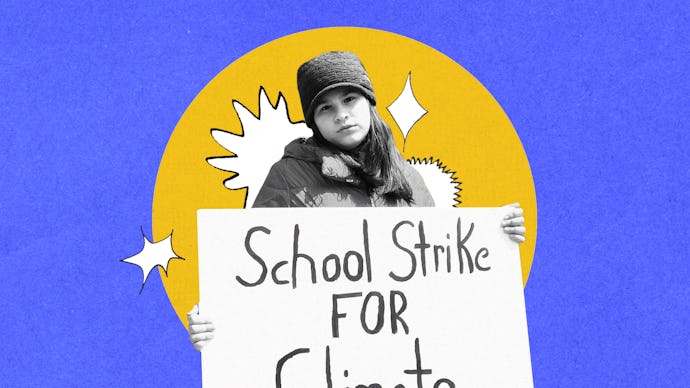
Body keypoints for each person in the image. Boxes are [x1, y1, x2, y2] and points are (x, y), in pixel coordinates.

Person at [187, 51, 526, 351]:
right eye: (325, 107)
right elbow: (255, 276)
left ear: (369, 102)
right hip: (322, 356)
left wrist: (497, 242)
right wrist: (217, 322)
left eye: (350, 99)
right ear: (314, 120)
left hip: (402, 359)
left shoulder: (409, 179)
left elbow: (443, 275)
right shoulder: (288, 178)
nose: (341, 115)